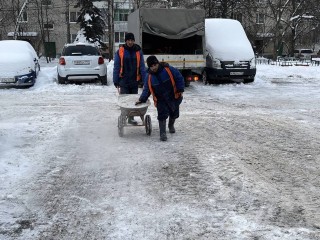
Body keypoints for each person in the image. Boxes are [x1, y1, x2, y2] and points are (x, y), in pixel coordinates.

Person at [136, 56, 184, 141]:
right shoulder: (149, 76)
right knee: (162, 115)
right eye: (151, 66)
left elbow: (178, 77)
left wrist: (180, 88)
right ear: (149, 67)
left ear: (158, 63)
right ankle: (162, 133)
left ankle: (171, 125)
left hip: (173, 95)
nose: (154, 67)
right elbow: (146, 89)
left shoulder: (168, 69)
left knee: (174, 113)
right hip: (160, 98)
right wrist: (142, 99)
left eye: (155, 65)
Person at [113, 32, 146, 124]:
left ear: (134, 41)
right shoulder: (120, 51)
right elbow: (117, 66)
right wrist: (115, 80)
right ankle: (124, 117)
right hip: (123, 80)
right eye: (128, 40)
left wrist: (145, 79)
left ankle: (131, 118)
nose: (130, 42)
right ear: (126, 41)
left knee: (133, 101)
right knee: (125, 101)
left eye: (132, 40)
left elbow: (142, 67)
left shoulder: (138, 51)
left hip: (134, 80)